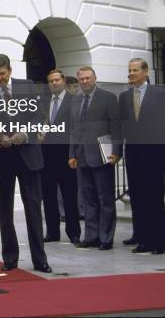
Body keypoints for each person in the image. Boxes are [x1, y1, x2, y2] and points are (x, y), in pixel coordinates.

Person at [0, 54, 51, 274]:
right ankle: (10, 258)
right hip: (2, 158)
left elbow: (40, 117)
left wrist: (25, 134)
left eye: (2, 74)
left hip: (29, 156)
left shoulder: (27, 87)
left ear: (10, 70)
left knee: (33, 210)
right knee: (5, 211)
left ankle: (40, 260)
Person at [69, 66, 122, 250]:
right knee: (88, 199)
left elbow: (116, 127)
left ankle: (106, 238)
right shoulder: (75, 101)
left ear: (95, 78)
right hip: (82, 156)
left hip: (103, 154)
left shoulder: (108, 98)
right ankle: (91, 237)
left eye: (87, 78)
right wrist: (72, 155)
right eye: (81, 79)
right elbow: (73, 131)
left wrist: (116, 151)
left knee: (105, 198)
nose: (84, 82)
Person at [119, 58, 165, 254]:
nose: (131, 73)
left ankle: (158, 242)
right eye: (129, 70)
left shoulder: (160, 94)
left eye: (135, 70)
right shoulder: (124, 96)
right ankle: (142, 237)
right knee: (137, 198)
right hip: (133, 155)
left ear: (146, 72)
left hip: (155, 156)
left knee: (154, 198)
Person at [41, 69, 80, 244]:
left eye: (57, 80)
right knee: (48, 196)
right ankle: (52, 232)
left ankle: (74, 233)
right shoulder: (44, 101)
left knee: (69, 196)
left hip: (66, 156)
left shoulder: (74, 101)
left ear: (63, 81)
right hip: (46, 157)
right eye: (51, 81)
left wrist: (75, 154)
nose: (54, 83)